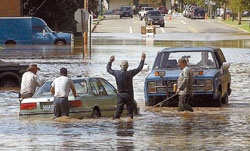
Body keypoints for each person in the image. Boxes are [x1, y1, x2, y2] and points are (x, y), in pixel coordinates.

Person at [107, 52, 146, 119]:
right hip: (129, 96)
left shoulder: (117, 73)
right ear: (127, 66)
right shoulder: (130, 73)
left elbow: (108, 69)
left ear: (120, 66)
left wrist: (110, 61)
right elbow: (139, 68)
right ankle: (129, 127)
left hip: (120, 96)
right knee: (130, 114)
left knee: (118, 112)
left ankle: (116, 125)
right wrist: (142, 59)